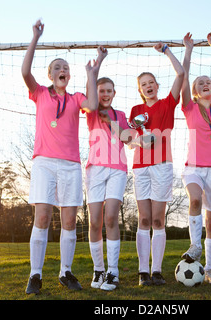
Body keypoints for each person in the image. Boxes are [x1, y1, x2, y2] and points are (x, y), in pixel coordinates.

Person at [22, 19, 107, 294]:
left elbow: (93, 105)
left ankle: (65, 272)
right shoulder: (40, 94)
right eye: (57, 67)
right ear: (50, 75)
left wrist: (94, 71)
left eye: (66, 68)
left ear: (69, 77)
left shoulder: (75, 98)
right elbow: (25, 71)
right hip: (44, 163)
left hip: (71, 165)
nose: (62, 70)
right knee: (43, 218)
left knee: (69, 221)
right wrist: (35, 38)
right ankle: (35, 275)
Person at [129, 42, 184, 286]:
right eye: (144, 84)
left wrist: (166, 51)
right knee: (143, 219)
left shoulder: (167, 104)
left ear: (157, 86)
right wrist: (141, 141)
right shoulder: (136, 110)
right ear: (140, 90)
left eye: (151, 82)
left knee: (158, 220)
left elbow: (181, 74)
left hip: (162, 166)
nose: (148, 86)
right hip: (140, 168)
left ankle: (157, 271)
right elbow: (128, 139)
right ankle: (143, 273)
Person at [180, 32, 211, 284]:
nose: (205, 83)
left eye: (207, 81)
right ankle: (194, 245)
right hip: (194, 167)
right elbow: (185, 76)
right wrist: (188, 49)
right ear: (194, 91)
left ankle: (210, 269)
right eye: (200, 83)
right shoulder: (189, 108)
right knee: (195, 200)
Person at [85, 77, 132, 291]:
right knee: (95, 222)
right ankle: (99, 269)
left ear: (114, 93)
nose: (105, 94)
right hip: (95, 169)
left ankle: (113, 271)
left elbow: (126, 137)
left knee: (111, 217)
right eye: (101, 90)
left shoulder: (120, 115)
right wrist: (93, 70)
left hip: (117, 169)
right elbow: (90, 98)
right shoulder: (91, 111)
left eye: (108, 91)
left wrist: (116, 125)